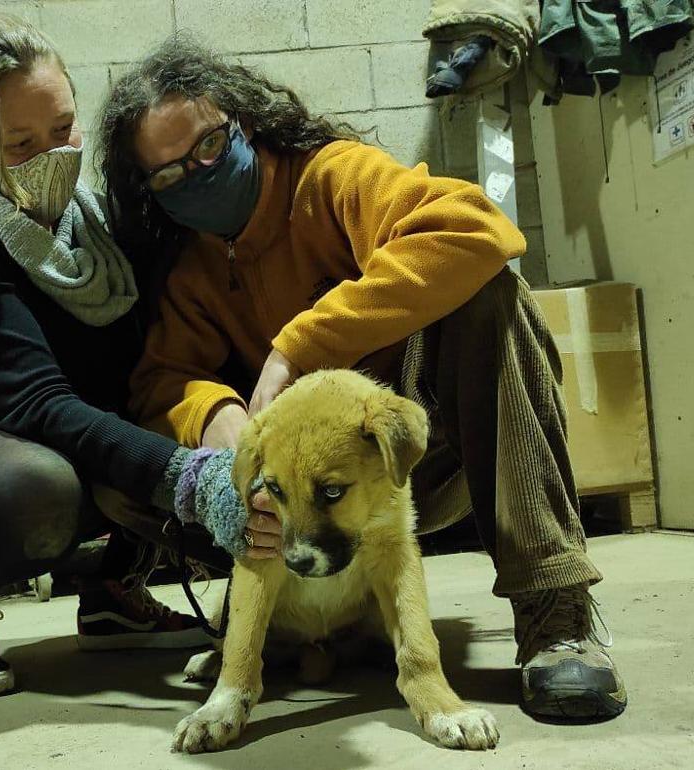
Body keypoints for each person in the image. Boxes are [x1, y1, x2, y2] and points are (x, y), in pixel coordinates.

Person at [97, 33, 626, 721]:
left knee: (490, 296)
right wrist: (219, 417)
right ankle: (264, 633)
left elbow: (474, 233)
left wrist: (300, 345)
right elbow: (161, 381)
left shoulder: (332, 176)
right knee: (115, 472)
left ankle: (555, 611)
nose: (196, 172)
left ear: (245, 125)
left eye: (207, 145)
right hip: (280, 510)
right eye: (168, 174)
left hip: (412, 462)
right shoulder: (192, 269)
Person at [0, 15, 270, 701]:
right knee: (38, 488)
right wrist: (194, 480)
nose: (53, 153)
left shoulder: (90, 234)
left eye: (62, 130)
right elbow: (40, 406)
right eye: (22, 142)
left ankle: (111, 591)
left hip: (41, 432)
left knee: (152, 412)